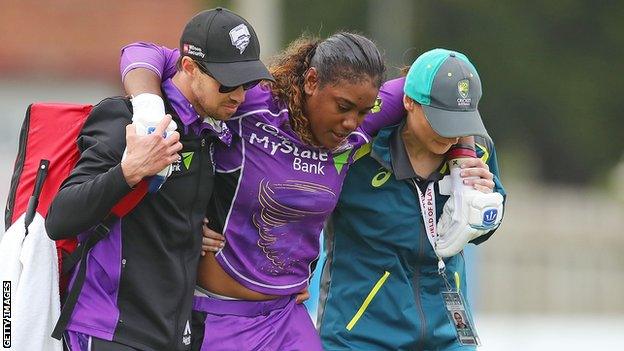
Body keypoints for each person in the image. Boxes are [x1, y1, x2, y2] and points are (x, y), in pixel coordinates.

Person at [119, 32, 393, 350]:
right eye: (343, 106)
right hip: (216, 316)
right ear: (312, 81)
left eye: (363, 111)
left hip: (287, 317)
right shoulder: (251, 102)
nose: (351, 122)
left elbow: (421, 90)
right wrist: (149, 112)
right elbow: (141, 52)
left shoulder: (355, 125)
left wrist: (462, 157)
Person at [45, 8, 273, 351]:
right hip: (109, 330)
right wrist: (129, 171)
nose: (240, 96)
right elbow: (60, 218)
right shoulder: (126, 119)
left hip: (170, 333)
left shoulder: (210, 131)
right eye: (227, 82)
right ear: (189, 68)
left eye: (248, 82)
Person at [316, 49, 506, 350]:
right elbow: (300, 208)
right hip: (360, 335)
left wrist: (486, 206)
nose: (451, 135)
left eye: (460, 121)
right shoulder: (357, 152)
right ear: (409, 102)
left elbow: (486, 229)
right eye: (441, 120)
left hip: (449, 334)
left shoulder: (478, 150)